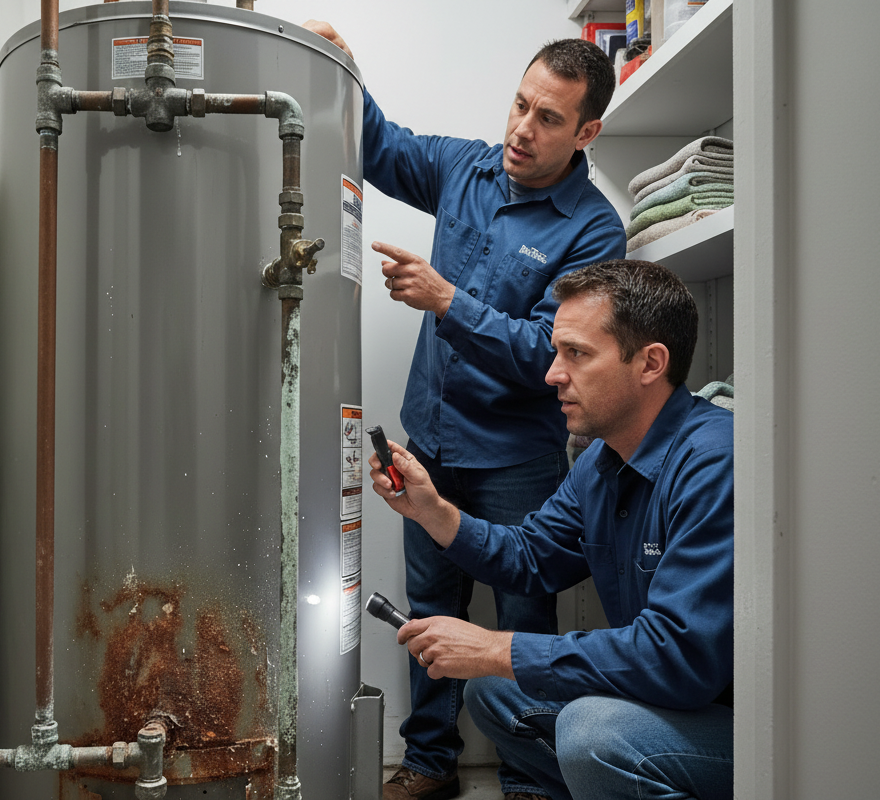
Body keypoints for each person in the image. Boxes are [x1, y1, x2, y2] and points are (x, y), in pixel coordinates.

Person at [303, 21, 628, 800]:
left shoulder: (595, 227)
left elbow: (551, 352)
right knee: (429, 609)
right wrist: (345, 67)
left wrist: (448, 301)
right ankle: (429, 762)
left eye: (548, 118)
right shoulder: (466, 168)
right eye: (519, 104)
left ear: (586, 132)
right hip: (431, 442)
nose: (522, 129)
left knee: (521, 621)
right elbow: (382, 146)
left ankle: (530, 779)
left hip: (516, 460)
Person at [368, 260, 734, 800]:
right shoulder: (602, 462)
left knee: (592, 734)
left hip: (739, 728)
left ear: (650, 363)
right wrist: (432, 510)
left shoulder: (714, 462)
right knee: (493, 692)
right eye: (557, 352)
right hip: (666, 702)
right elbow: (530, 557)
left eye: (576, 354)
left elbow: (678, 657)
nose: (552, 374)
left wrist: (497, 648)